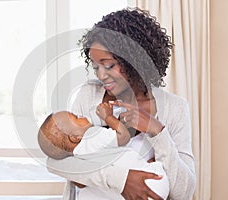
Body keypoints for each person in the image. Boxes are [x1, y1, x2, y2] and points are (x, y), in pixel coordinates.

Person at [46, 7, 196, 200]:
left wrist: (157, 132)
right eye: (95, 66)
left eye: (109, 65)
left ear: (133, 60)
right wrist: (122, 179)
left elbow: (184, 192)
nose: (101, 75)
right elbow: (57, 162)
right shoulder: (88, 95)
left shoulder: (175, 108)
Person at [38, 104, 169, 199]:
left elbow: (80, 183)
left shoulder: (75, 155)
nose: (82, 116)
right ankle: (152, 166)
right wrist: (108, 117)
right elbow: (123, 136)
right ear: (75, 137)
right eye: (77, 117)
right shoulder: (92, 135)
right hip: (153, 183)